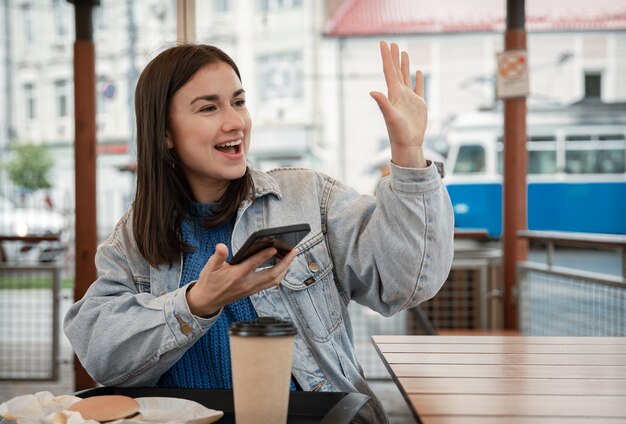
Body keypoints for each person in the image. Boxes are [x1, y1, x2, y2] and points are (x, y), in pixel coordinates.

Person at [64, 41, 454, 423]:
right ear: (165, 133)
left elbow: (407, 282)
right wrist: (196, 302)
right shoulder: (133, 239)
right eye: (208, 107)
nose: (235, 121)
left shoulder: (309, 197)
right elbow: (100, 355)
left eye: (238, 101)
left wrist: (409, 152)